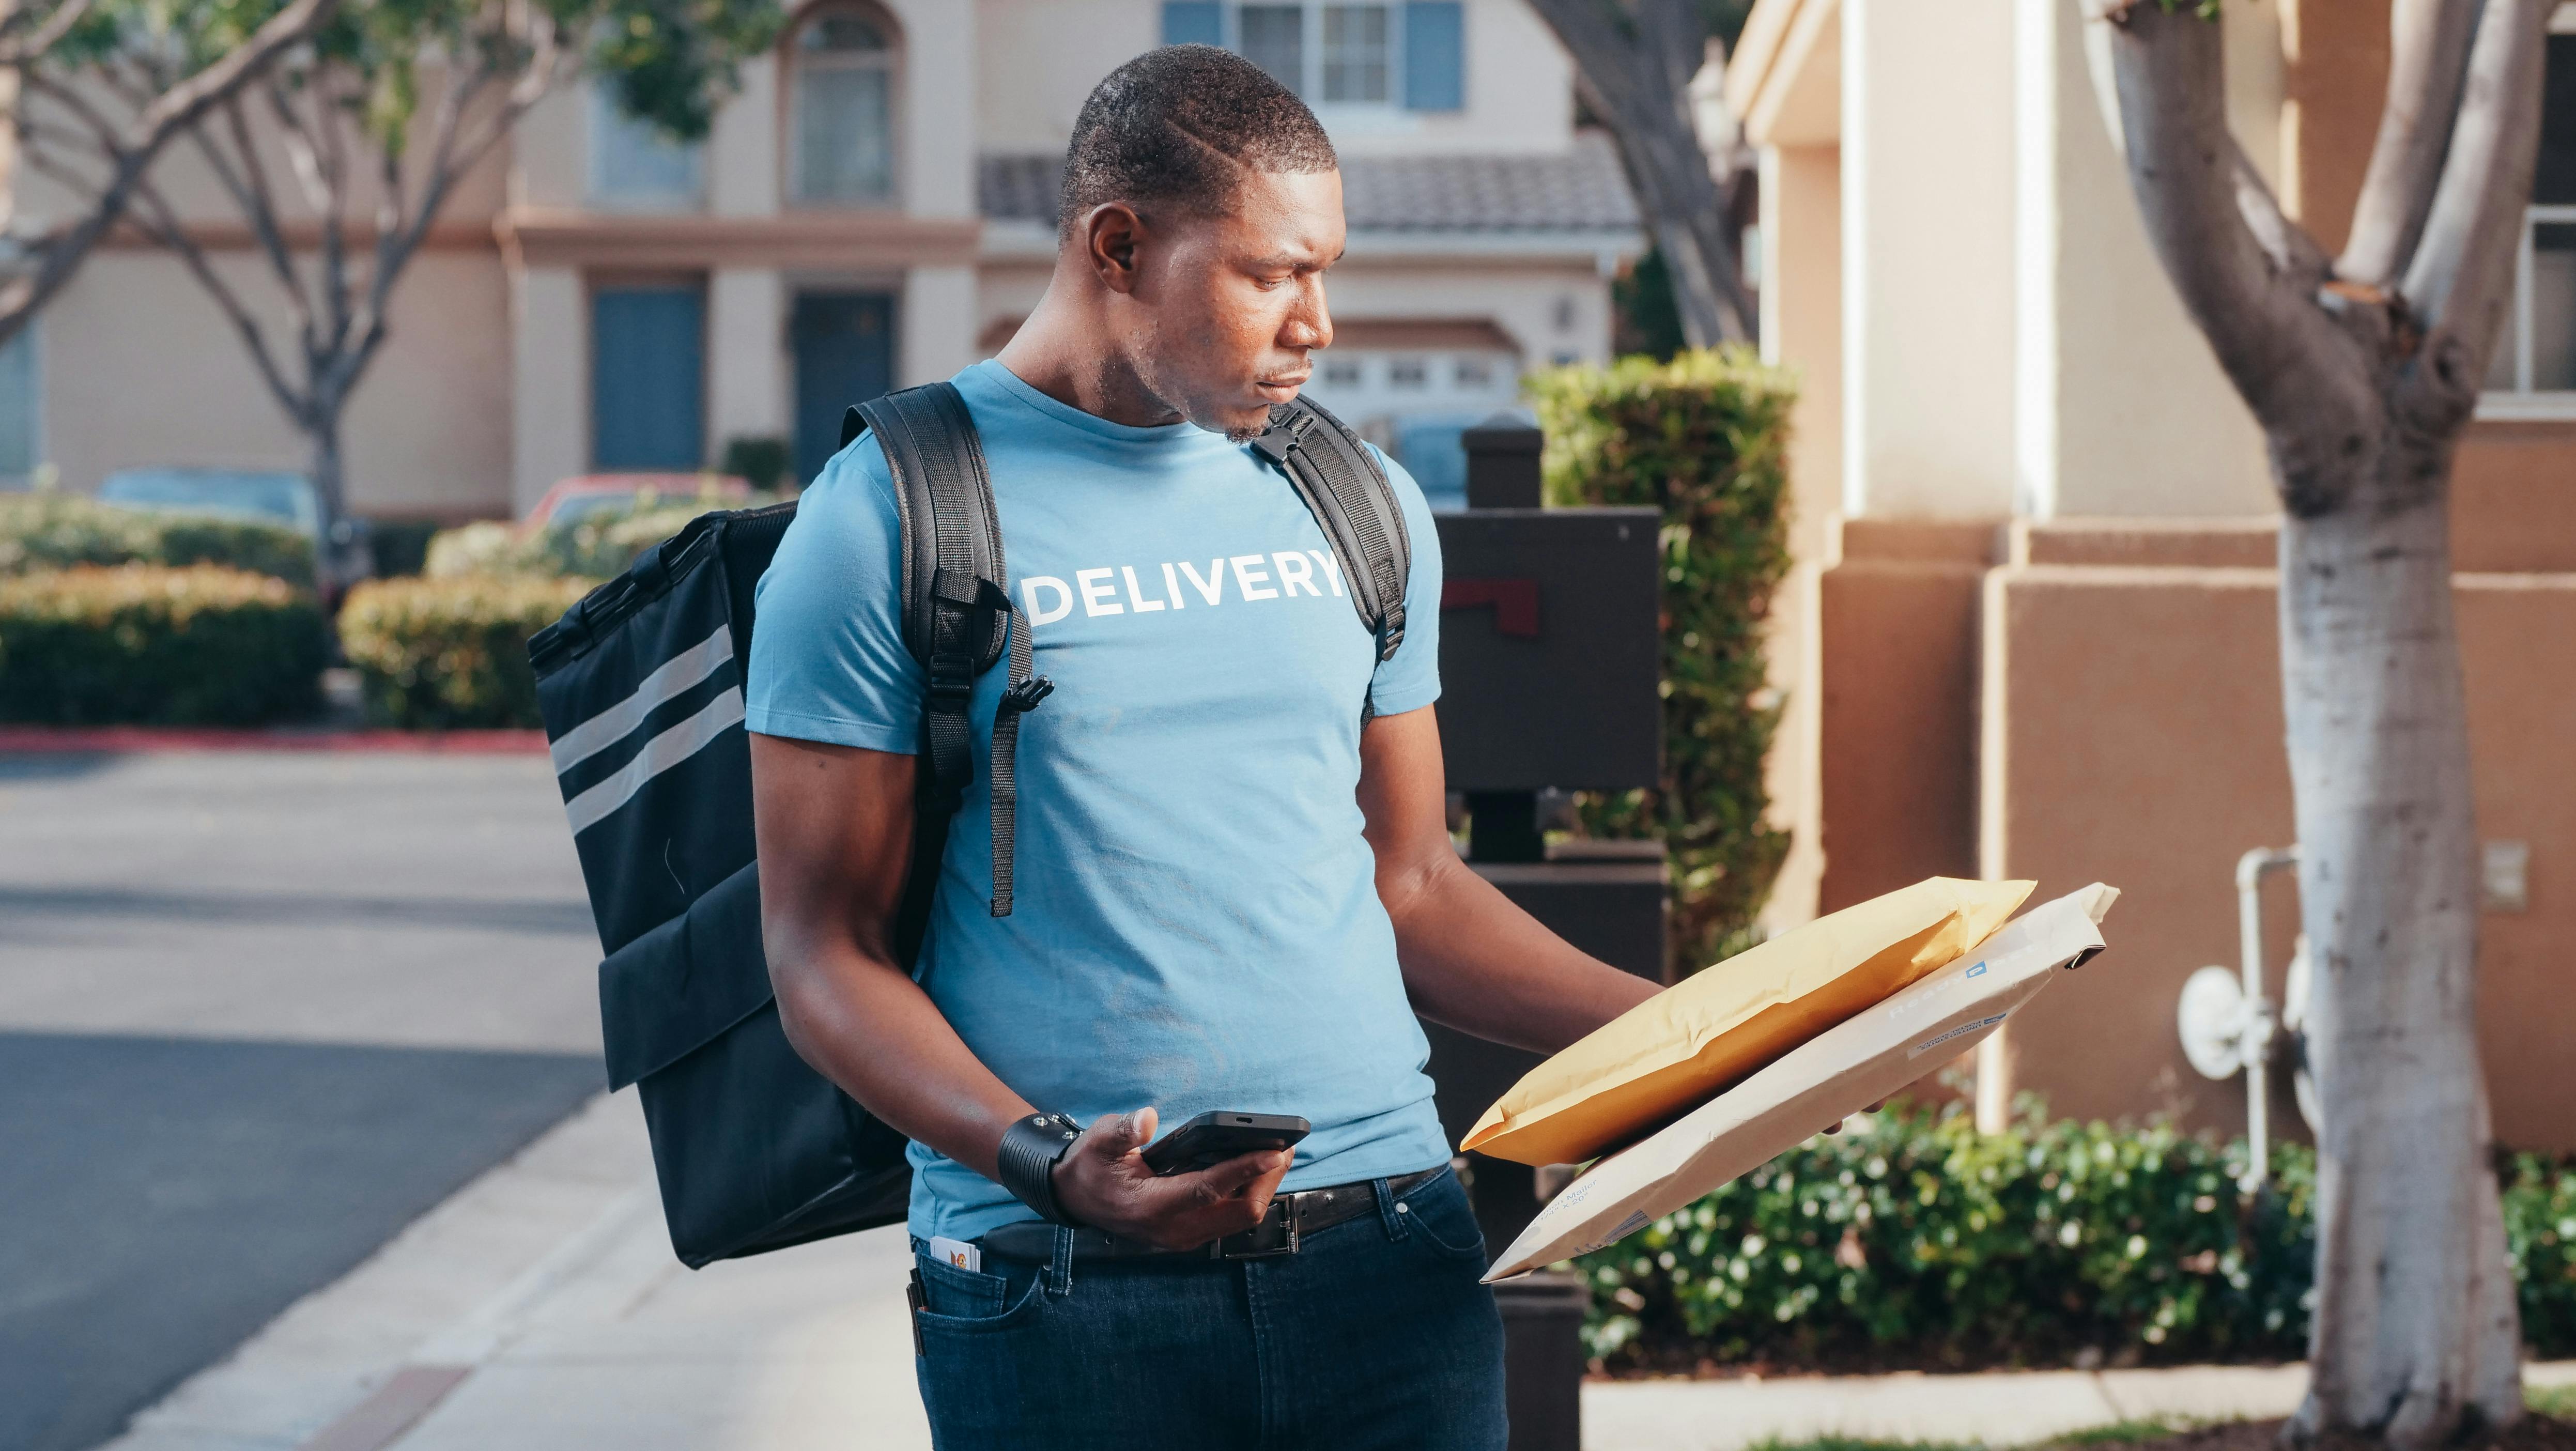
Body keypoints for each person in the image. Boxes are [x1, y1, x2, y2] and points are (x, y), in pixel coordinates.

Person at [745, 44, 1659, 1449]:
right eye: (1271, 273)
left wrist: (1696, 1041)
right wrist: (1048, 1163)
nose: (1318, 325)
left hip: (1392, 1261)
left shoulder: (1354, 499)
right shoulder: (889, 519)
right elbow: (822, 955)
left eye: (1325, 273)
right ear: (1119, 246)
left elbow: (1413, 885)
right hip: (1057, 1293)